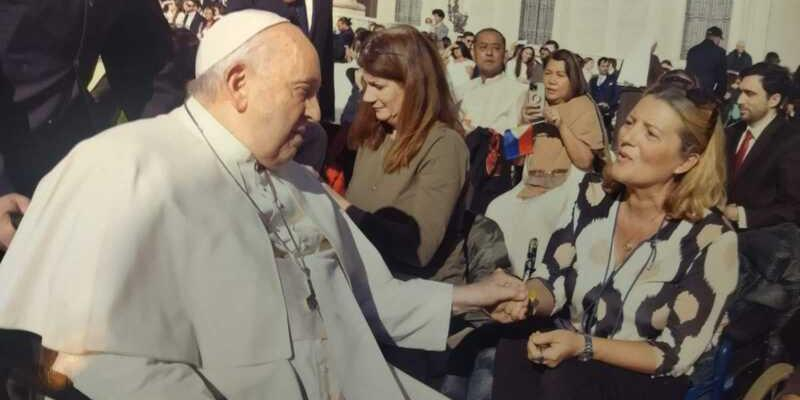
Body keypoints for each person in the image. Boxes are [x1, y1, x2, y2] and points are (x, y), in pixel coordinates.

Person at [0, 11, 526, 400]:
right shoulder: (125, 166)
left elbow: (375, 299)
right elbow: (101, 359)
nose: (318, 112)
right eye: (305, 91)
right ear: (239, 84)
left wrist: (476, 294)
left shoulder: (302, 182)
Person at [492, 83, 738, 400]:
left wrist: (586, 347)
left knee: (568, 378)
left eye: (651, 133)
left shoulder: (712, 237)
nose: (627, 138)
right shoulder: (592, 197)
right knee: (516, 341)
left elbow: (673, 355)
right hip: (573, 356)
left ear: (685, 162)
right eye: (631, 122)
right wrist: (526, 299)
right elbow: (552, 280)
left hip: (646, 379)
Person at [325, 25, 470, 383]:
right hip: (362, 303)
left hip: (414, 321)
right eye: (364, 86)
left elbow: (417, 249)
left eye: (378, 86)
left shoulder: (444, 146)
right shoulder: (374, 135)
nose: (368, 98)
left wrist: (341, 208)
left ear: (413, 82)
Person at [517, 49, 607, 199]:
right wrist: (524, 124)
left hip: (566, 192)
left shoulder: (584, 106)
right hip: (528, 186)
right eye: (548, 73)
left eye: (560, 75)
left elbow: (585, 162)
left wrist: (561, 125)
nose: (552, 81)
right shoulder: (534, 98)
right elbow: (515, 159)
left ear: (573, 79)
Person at [226, 0, 336, 122]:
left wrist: (326, 112)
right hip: (259, 114)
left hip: (308, 118)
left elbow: (324, 54)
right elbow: (234, 42)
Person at [723, 62, 800, 230]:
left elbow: (793, 208)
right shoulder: (731, 132)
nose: (740, 100)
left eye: (749, 94)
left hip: (757, 245)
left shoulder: (791, 141)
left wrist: (741, 216)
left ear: (774, 100)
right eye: (740, 92)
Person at [454, 28, 530, 132]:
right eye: (483, 47)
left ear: (505, 54)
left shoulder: (520, 92)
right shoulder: (461, 91)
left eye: (496, 48)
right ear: (473, 53)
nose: (489, 52)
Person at [685, 26, 727, 99]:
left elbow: (688, 71)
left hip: (690, 92)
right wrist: (718, 97)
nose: (719, 42)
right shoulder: (720, 52)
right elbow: (722, 79)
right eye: (719, 39)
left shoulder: (692, 50)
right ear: (716, 38)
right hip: (706, 95)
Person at [590, 57, 620, 132]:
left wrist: (608, 104)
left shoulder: (614, 79)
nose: (605, 68)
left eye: (607, 66)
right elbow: (590, 95)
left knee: (605, 132)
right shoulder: (593, 80)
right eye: (603, 66)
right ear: (598, 66)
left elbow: (616, 96)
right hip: (594, 111)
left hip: (608, 112)